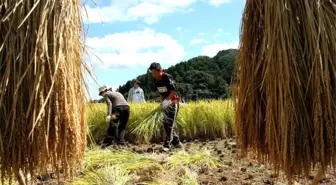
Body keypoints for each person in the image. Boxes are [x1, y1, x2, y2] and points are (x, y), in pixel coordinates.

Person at [148, 62, 183, 151]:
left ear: (159, 70)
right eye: (152, 73)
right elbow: (159, 92)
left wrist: (167, 101)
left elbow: (174, 91)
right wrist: (162, 102)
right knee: (166, 123)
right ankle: (177, 142)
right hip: (165, 103)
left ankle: (167, 145)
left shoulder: (166, 77)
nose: (153, 75)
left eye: (154, 73)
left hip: (172, 102)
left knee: (169, 123)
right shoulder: (156, 81)